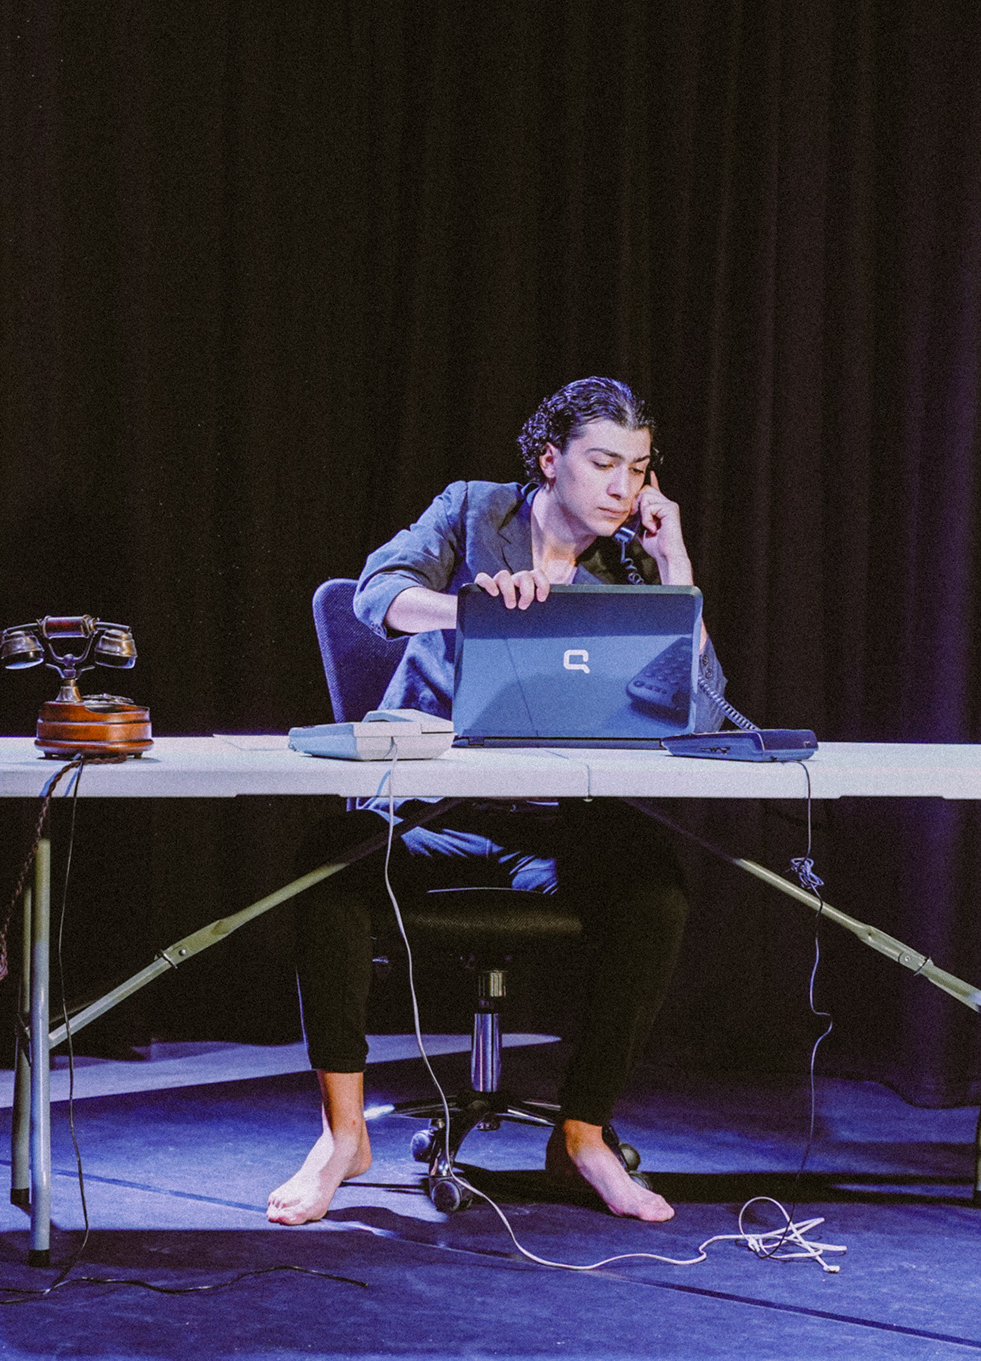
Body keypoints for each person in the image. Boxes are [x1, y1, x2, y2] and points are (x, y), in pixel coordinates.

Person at [266, 376, 724, 1227]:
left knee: (654, 891)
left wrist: (676, 569)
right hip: (433, 814)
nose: (623, 487)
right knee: (327, 867)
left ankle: (582, 1134)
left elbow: (695, 705)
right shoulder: (474, 510)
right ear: (550, 461)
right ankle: (342, 1136)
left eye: (638, 468)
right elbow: (373, 593)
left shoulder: (629, 562)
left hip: (554, 828)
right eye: (603, 463)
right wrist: (472, 612)